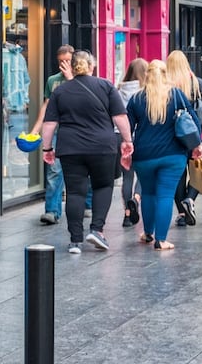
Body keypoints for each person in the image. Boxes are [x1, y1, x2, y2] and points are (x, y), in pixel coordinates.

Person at [40, 50, 132, 254]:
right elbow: (120, 118)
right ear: (92, 66)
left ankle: (75, 241)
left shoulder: (60, 92)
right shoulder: (106, 86)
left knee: (74, 192)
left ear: (72, 67)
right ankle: (97, 230)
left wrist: (47, 148)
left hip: (70, 148)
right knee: (103, 186)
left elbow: (49, 124)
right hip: (102, 147)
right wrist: (127, 140)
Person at [126, 60, 202, 251]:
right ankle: (161, 240)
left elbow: (127, 128)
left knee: (149, 193)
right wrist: (197, 145)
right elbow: (193, 119)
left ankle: (148, 233)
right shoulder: (176, 95)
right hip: (173, 155)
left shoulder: (136, 99)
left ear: (147, 76)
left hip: (144, 156)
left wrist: (126, 151)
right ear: (165, 75)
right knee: (165, 196)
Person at [166, 50, 202, 227]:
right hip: (197, 135)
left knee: (177, 175)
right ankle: (190, 199)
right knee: (199, 170)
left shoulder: (166, 85)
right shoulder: (197, 83)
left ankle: (182, 213)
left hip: (173, 137)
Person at [30, 45, 74, 225]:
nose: (64, 65)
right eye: (61, 61)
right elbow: (46, 106)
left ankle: (87, 204)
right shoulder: (52, 81)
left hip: (77, 131)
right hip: (57, 131)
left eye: (68, 61)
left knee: (81, 172)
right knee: (54, 170)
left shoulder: (81, 78)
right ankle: (52, 210)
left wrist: (71, 77)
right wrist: (35, 130)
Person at [117, 58, 147, 228]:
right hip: (140, 137)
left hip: (120, 138)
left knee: (127, 177)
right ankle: (136, 198)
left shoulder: (118, 91)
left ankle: (127, 215)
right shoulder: (144, 93)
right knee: (142, 174)